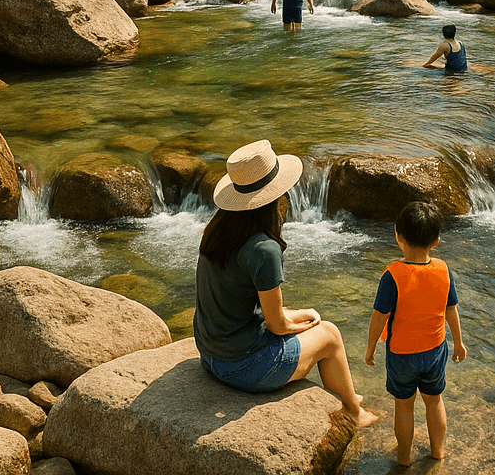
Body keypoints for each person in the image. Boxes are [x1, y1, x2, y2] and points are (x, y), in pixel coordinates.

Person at [194, 139, 378, 427]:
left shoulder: (218, 230)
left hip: (209, 356)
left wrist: (300, 315)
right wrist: (302, 325)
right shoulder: (263, 249)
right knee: (330, 335)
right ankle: (355, 412)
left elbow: (251, 308)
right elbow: (277, 325)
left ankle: (349, 394)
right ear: (274, 195)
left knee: (308, 319)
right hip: (241, 368)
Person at [364, 202, 466, 466]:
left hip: (402, 353)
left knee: (404, 406)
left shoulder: (392, 275)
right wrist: (458, 343)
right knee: (434, 401)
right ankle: (438, 452)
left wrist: (370, 348)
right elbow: (451, 310)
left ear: (398, 236)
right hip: (435, 350)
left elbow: (379, 317)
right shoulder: (444, 269)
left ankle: (404, 459)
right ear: (436, 241)